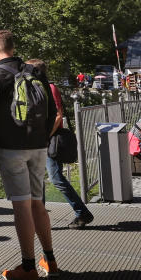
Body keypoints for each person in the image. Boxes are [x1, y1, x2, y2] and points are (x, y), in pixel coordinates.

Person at [0, 30, 58, 280]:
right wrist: (43, 138)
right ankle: (50, 260)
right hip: (38, 145)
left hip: (11, 149)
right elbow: (52, 109)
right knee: (37, 203)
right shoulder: (34, 72)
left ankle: (27, 268)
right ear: (13, 48)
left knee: (21, 207)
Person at [35, 60, 94, 229]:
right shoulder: (39, 88)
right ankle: (40, 216)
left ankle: (82, 212)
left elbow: (58, 116)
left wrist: (45, 136)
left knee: (56, 178)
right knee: (39, 178)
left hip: (50, 141)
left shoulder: (50, 88)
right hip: (42, 141)